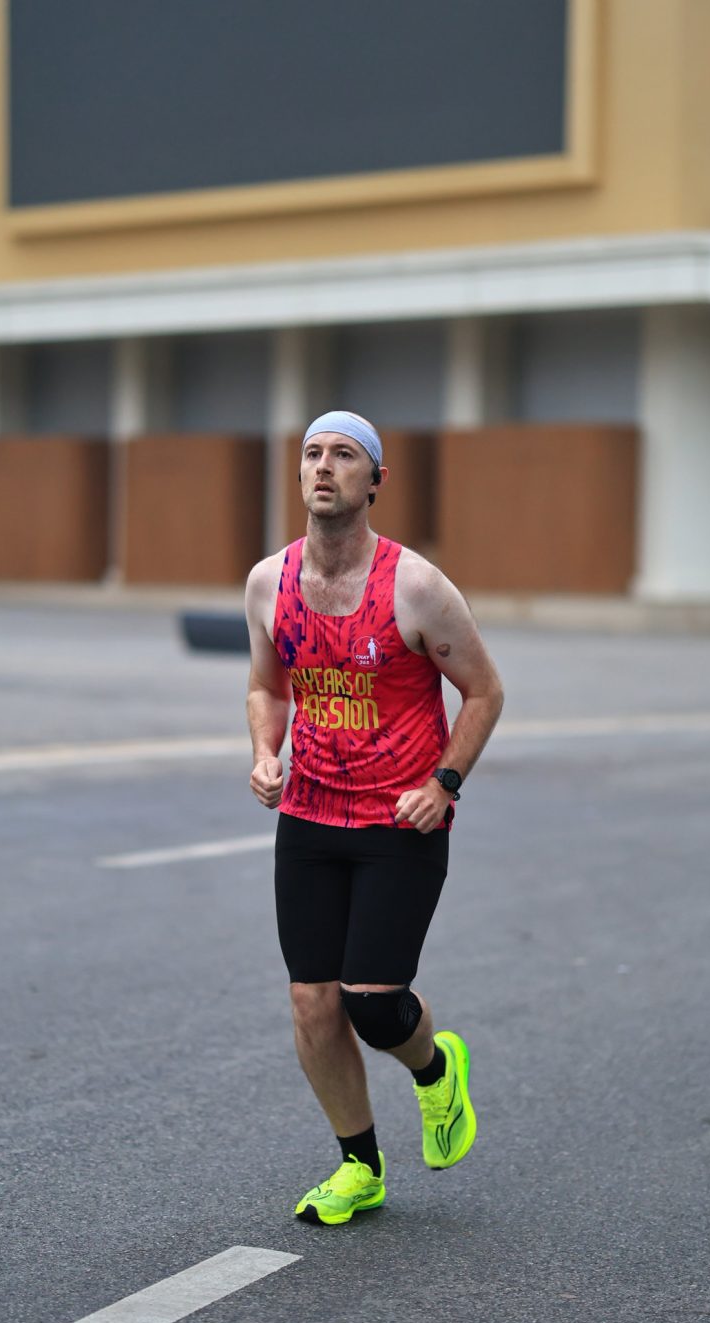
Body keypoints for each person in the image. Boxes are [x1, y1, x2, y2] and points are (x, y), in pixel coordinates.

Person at [245, 410, 504, 1226]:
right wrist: (265, 752)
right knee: (312, 1002)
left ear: (375, 481)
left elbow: (485, 692)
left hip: (401, 818)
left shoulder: (415, 588)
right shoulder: (269, 583)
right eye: (312, 453)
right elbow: (267, 686)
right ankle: (359, 1165)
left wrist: (445, 783)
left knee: (370, 1001)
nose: (324, 466)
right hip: (310, 813)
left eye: (344, 455)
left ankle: (435, 1069)